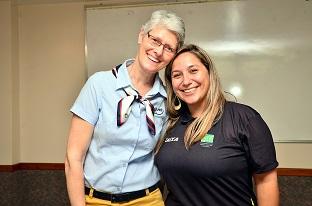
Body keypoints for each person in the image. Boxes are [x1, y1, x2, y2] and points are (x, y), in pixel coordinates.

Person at [65, 10, 185, 206]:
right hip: (95, 200)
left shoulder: (168, 100)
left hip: (148, 200)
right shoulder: (99, 84)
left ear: (173, 56)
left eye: (169, 48)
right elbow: (73, 157)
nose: (159, 51)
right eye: (155, 40)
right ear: (141, 35)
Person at [155, 44, 279, 206]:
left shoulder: (244, 118)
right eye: (177, 75)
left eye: (193, 71)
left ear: (209, 73)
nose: (186, 81)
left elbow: (266, 182)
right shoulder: (170, 123)